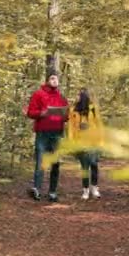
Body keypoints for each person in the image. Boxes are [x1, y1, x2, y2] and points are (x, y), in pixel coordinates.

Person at [26, 71, 69, 202]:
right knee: (40, 162)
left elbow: (67, 116)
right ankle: (37, 190)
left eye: (56, 79)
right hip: (42, 133)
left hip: (57, 133)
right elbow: (30, 112)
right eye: (52, 78)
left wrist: (64, 115)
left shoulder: (61, 97)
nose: (54, 80)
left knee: (55, 163)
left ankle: (52, 192)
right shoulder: (38, 94)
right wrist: (42, 113)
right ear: (47, 80)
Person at [68, 88, 101, 200]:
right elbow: (71, 128)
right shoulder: (73, 111)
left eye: (80, 94)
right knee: (85, 167)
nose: (78, 97)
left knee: (94, 164)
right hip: (80, 142)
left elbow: (99, 125)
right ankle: (85, 190)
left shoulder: (93, 109)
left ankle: (95, 188)